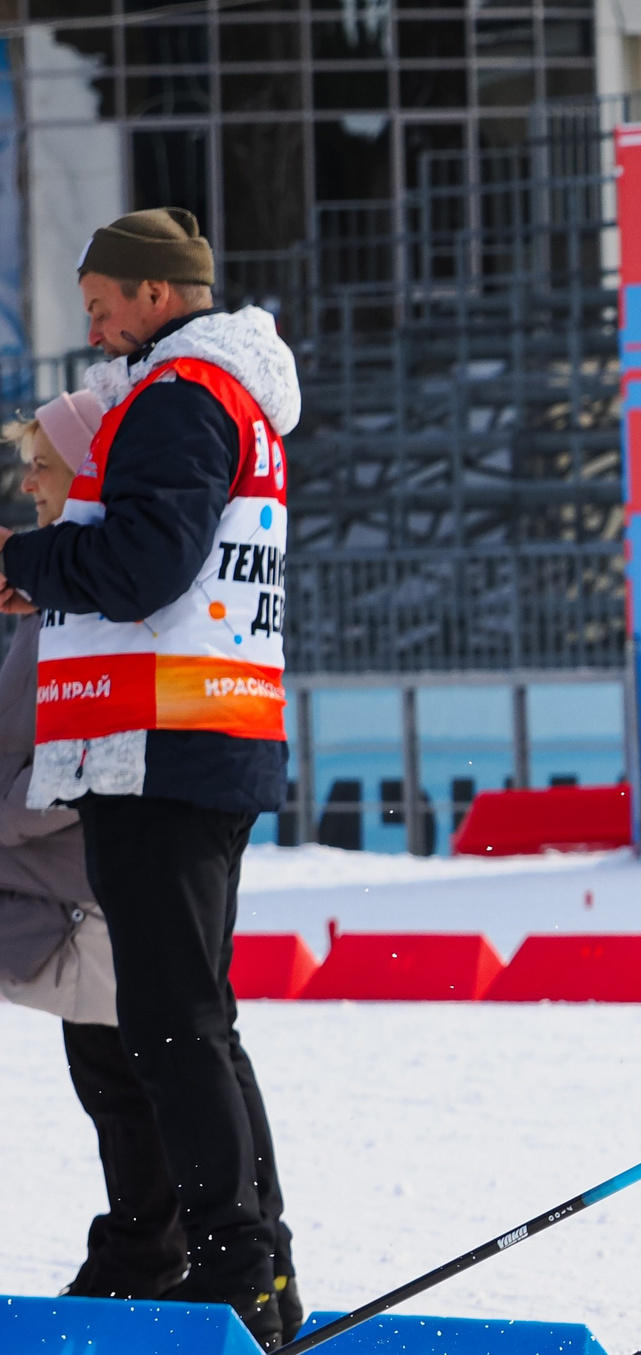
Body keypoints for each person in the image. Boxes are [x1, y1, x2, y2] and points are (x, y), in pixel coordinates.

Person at [0, 208, 303, 1348]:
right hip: (191, 739)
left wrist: (24, 563)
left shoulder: (179, 401)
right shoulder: (216, 400)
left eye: (103, 303)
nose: (94, 323)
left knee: (170, 1025)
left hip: (162, 746)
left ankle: (235, 1266)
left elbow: (143, 566)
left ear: (158, 295)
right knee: (190, 1021)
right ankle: (251, 1264)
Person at [0, 391, 190, 1299]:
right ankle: (142, 1251)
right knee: (118, 1082)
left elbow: (68, 768)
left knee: (128, 1083)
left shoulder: (92, 593)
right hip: (56, 883)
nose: (26, 483)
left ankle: (146, 1255)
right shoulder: (58, 586)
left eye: (40, 464)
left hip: (85, 891)